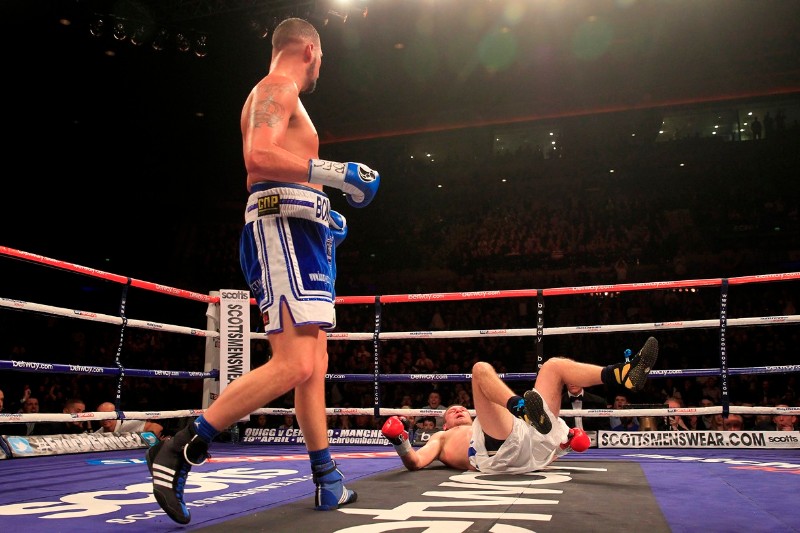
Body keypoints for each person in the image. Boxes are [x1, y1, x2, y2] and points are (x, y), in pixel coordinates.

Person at [146, 17, 380, 525]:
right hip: (281, 233)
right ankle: (182, 448)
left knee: (313, 365)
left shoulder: (287, 94)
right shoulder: (275, 87)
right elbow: (258, 157)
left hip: (303, 233)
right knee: (295, 363)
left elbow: (288, 168)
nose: (323, 64)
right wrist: (338, 174)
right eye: (324, 56)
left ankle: (327, 480)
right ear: (310, 49)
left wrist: (326, 213)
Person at [382, 337, 658, 473]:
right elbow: (415, 462)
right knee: (479, 369)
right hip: (493, 451)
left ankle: (621, 375)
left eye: (461, 408)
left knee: (553, 366)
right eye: (451, 412)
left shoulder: (483, 419)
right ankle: (521, 407)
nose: (457, 409)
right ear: (445, 423)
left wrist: (561, 444)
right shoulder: (442, 437)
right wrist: (400, 441)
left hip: (527, 438)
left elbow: (532, 456)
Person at [95, 402, 164, 438]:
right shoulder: (98, 434)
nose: (105, 418)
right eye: (101, 415)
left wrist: (143, 442)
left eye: (108, 415)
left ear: (115, 414)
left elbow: (156, 427)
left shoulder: (127, 424)